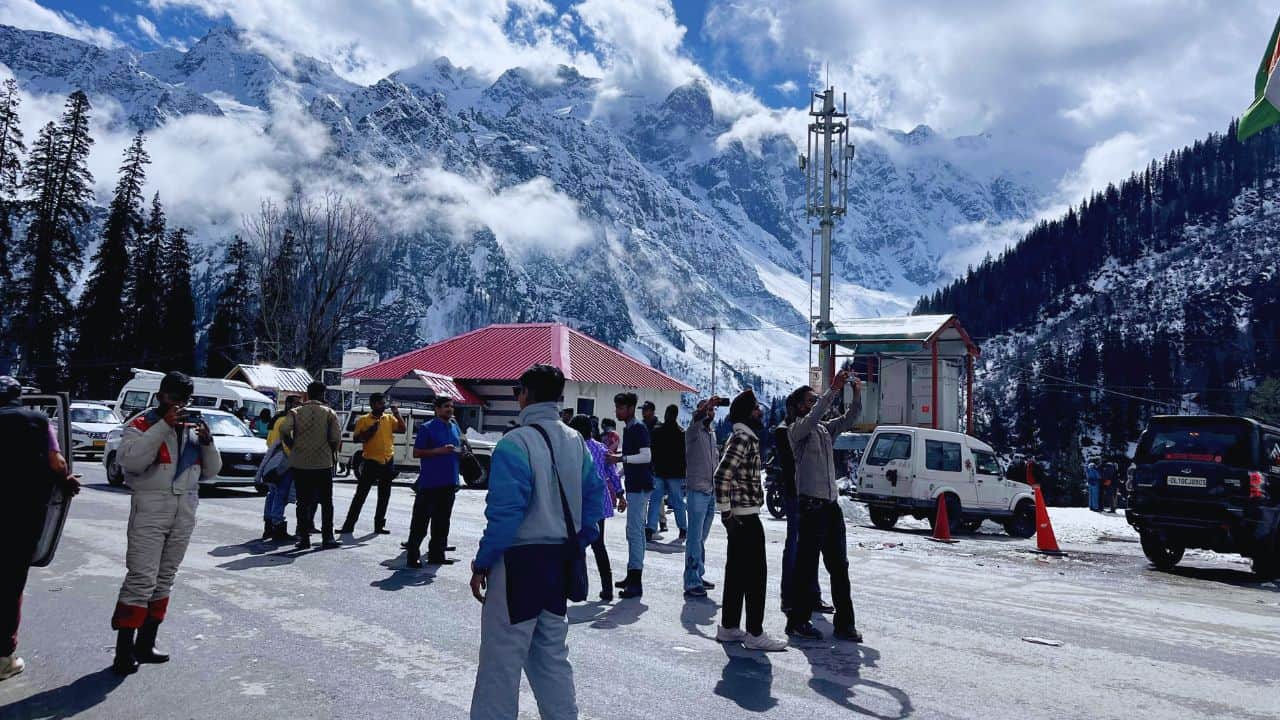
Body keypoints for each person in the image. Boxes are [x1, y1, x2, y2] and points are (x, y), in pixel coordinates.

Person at [469, 364, 603, 720]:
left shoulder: (515, 443)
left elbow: (505, 514)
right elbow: (595, 506)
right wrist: (576, 543)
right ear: (559, 398)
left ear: (524, 395)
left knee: (501, 664)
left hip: (517, 563)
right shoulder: (578, 442)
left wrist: (483, 562)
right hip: (559, 561)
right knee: (551, 658)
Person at [110, 371, 220, 675]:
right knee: (141, 578)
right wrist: (163, 426)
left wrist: (208, 443)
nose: (180, 406)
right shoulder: (141, 424)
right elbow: (130, 461)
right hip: (150, 506)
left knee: (165, 577)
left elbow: (212, 471)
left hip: (184, 507)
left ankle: (146, 643)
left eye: (185, 400)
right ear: (161, 396)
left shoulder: (193, 429)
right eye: (175, 399)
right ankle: (123, 650)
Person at [0, 376, 80, 680]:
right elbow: (56, 461)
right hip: (20, 518)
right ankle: (3, 658)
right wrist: (66, 480)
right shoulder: (37, 421)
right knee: (9, 588)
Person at [785, 371, 863, 642]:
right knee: (807, 566)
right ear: (798, 406)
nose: (814, 402)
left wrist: (856, 393)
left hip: (830, 506)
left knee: (839, 566)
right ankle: (797, 620)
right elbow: (816, 415)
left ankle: (845, 624)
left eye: (814, 399)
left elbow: (850, 419)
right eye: (809, 400)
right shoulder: (797, 430)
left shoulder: (823, 430)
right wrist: (832, 391)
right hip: (811, 506)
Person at [714, 388, 787, 652]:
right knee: (756, 576)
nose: (760, 411)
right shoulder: (744, 438)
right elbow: (722, 475)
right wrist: (725, 513)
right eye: (756, 407)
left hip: (741, 517)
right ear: (747, 412)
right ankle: (755, 633)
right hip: (745, 517)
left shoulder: (744, 437)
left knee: (736, 574)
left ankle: (730, 627)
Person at [774, 408, 828, 617]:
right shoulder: (786, 430)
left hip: (807, 494)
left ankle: (811, 594)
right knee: (795, 547)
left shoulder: (811, 429)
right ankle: (789, 596)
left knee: (811, 548)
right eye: (808, 403)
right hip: (795, 493)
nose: (811, 408)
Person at [279, 381, 342, 551]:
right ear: (322, 395)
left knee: (303, 502)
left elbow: (284, 429)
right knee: (326, 502)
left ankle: (303, 537)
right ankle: (327, 537)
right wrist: (331, 450)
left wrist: (293, 445)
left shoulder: (296, 412)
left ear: (307, 394)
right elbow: (336, 437)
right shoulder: (329, 413)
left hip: (301, 463)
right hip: (323, 463)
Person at [570, 414, 625, 601]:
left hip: (578, 503)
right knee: (598, 545)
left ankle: (579, 587)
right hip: (599, 504)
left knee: (577, 545)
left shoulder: (572, 449)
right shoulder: (601, 448)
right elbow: (613, 474)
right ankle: (607, 588)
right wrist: (620, 494)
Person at [405, 396, 463, 567]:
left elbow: (455, 450)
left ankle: (437, 554)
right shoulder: (427, 428)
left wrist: (460, 453)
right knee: (420, 521)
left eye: (451, 406)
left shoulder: (454, 428)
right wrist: (439, 451)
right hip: (430, 483)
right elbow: (416, 452)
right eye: (446, 406)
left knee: (442, 521)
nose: (450, 409)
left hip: (449, 481)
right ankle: (413, 554)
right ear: (437, 409)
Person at [339, 393, 406, 535]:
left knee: (384, 496)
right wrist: (370, 431)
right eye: (381, 403)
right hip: (371, 461)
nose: (383, 406)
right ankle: (348, 525)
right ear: (373, 404)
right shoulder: (363, 420)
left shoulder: (388, 418)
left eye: (384, 403)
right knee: (360, 495)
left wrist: (396, 413)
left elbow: (402, 429)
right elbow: (357, 439)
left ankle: (379, 525)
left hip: (387, 460)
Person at [609, 392, 652, 599]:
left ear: (630, 408)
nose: (617, 411)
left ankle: (636, 581)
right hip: (635, 485)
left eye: (621, 408)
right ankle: (632, 573)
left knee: (634, 533)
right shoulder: (629, 429)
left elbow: (646, 456)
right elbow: (631, 460)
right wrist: (617, 474)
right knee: (635, 532)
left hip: (640, 487)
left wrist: (619, 458)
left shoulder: (638, 429)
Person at [682, 396, 719, 598]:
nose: (710, 413)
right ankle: (691, 580)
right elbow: (697, 418)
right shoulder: (693, 431)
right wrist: (705, 407)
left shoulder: (711, 434)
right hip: (697, 490)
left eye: (713, 411)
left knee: (701, 538)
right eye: (708, 410)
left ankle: (698, 573)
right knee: (694, 538)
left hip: (710, 490)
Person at [648, 404, 689, 542]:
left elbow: (652, 450)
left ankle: (651, 528)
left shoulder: (657, 431)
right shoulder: (681, 433)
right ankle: (683, 529)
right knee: (678, 502)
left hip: (659, 471)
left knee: (655, 500)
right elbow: (684, 455)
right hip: (675, 473)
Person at [262, 395, 301, 541]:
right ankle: (277, 524)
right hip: (285, 462)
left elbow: (270, 442)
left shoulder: (277, 419)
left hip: (274, 461)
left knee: (273, 493)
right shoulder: (287, 421)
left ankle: (269, 524)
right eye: (297, 403)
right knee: (281, 494)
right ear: (289, 404)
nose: (299, 406)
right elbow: (284, 443)